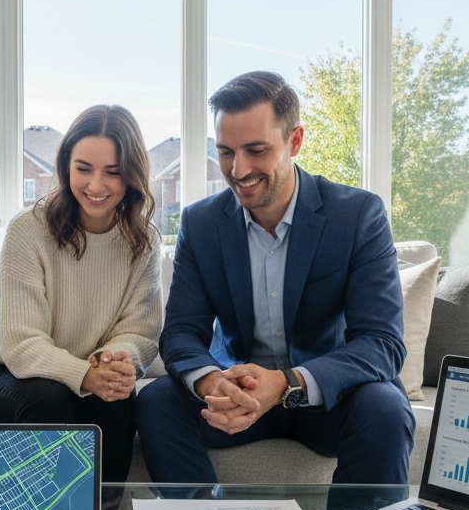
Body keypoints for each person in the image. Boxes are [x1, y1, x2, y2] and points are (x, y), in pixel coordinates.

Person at [136, 71, 415, 485]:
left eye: (256, 150)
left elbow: (382, 343)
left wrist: (287, 383)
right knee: (157, 400)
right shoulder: (202, 222)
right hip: (237, 395)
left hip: (328, 396)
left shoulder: (357, 215)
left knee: (386, 409)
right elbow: (180, 332)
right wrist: (215, 382)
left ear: (295, 141)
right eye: (226, 152)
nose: (238, 169)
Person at [0, 104, 163, 483]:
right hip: (8, 376)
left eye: (113, 172)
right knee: (52, 398)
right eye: (83, 169)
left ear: (132, 175)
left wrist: (110, 363)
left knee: (117, 400)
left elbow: (141, 332)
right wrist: (84, 376)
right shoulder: (27, 230)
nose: (95, 185)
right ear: (65, 167)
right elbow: (21, 344)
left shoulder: (145, 242)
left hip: (91, 373)